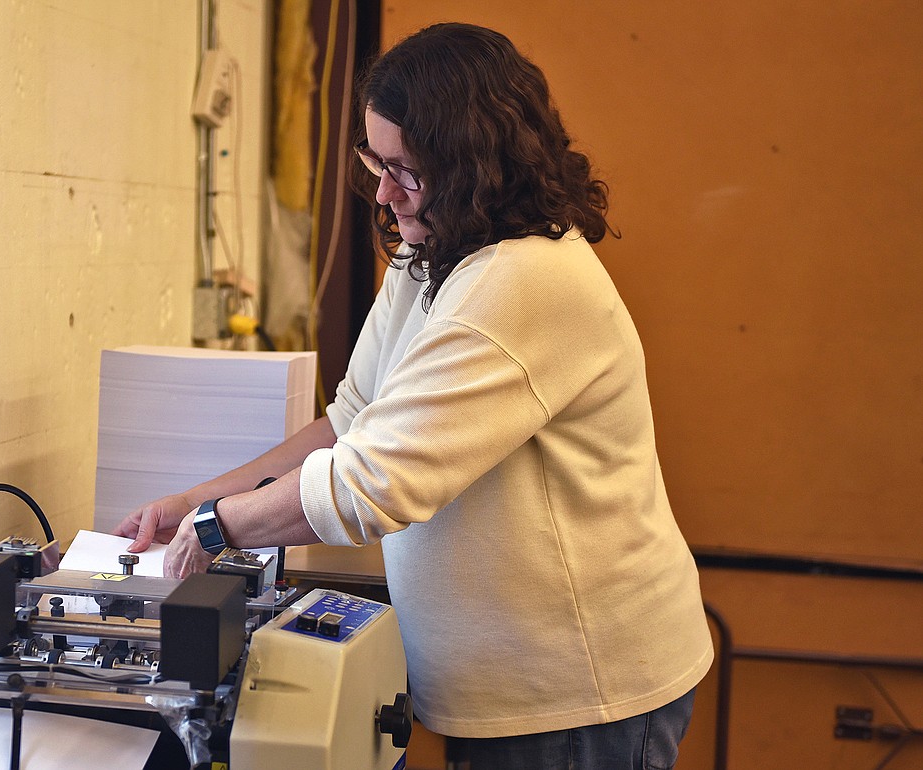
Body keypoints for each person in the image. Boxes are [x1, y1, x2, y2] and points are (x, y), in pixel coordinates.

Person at [113, 22, 713, 770]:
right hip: (507, 690)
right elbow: (351, 421)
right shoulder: (434, 253)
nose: (385, 192)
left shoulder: (524, 279)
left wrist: (215, 529)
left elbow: (372, 484)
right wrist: (191, 501)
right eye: (375, 162)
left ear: (473, 164)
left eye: (407, 169)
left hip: (579, 695)